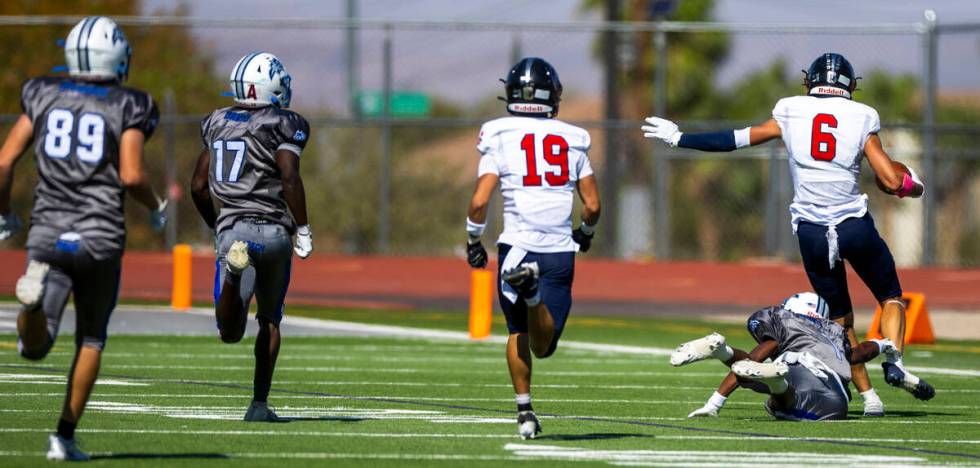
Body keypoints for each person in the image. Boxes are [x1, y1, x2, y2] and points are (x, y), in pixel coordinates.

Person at [640, 52, 934, 415]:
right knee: (889, 296)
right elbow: (891, 179)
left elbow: (739, 138)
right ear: (851, 86)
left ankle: (869, 398)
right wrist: (914, 187)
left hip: (811, 231)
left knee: (839, 321)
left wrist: (679, 138)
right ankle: (894, 361)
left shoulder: (790, 109)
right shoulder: (863, 115)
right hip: (852, 225)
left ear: (809, 82)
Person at [0, 16, 166, 460]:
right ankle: (64, 438)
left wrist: (3, 215)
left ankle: (32, 305)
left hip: (48, 230)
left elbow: (3, 161)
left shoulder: (42, 92)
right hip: (99, 233)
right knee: (91, 339)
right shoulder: (131, 103)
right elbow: (131, 175)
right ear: (117, 58)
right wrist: (156, 207)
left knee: (35, 347)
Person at [465, 57, 601, 439]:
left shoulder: (497, 133)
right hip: (558, 250)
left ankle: (525, 413)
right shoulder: (573, 137)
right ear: (552, 96)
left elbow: (479, 201)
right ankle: (534, 293)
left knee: (517, 331)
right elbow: (592, 205)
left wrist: (473, 240)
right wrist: (585, 233)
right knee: (545, 345)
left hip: (516, 248)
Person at [190, 51, 312, 422]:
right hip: (275, 230)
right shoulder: (284, 122)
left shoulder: (217, 122)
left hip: (233, 229)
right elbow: (288, 176)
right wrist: (304, 227)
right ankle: (258, 405)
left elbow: (197, 185)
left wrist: (216, 224)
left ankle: (232, 275)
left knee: (229, 332)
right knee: (270, 320)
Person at [673, 292, 899, 421]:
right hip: (831, 390)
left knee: (757, 381)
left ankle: (726, 353)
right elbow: (858, 354)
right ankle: (775, 381)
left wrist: (715, 402)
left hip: (798, 372)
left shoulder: (786, 319)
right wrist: (883, 344)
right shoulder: (833, 331)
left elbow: (762, 352)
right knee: (774, 391)